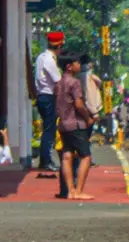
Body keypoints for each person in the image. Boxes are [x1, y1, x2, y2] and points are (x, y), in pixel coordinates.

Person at [56, 55, 96, 201]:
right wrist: (88, 118)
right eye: (77, 63)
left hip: (63, 124)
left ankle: (70, 191)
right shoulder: (74, 82)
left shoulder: (59, 83)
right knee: (86, 156)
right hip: (76, 124)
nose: (79, 65)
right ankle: (78, 191)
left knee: (67, 156)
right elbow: (78, 104)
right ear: (69, 66)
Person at [32, 30, 64, 176]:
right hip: (48, 96)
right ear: (59, 45)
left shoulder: (41, 57)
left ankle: (45, 160)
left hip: (42, 96)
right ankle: (46, 161)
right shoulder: (50, 60)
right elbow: (58, 80)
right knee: (49, 130)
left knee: (48, 128)